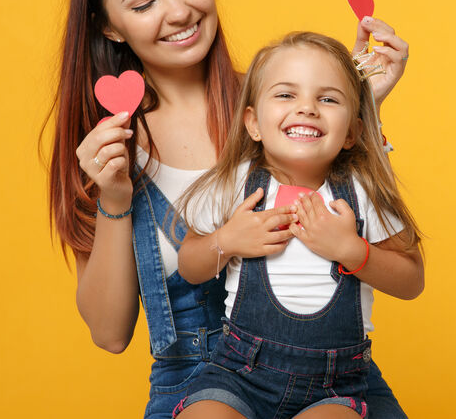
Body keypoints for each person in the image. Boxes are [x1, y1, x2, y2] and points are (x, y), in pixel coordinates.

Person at [45, 0, 412, 418]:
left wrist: (359, 106)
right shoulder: (106, 150)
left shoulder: (279, 108)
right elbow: (109, 333)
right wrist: (115, 198)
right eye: (143, 2)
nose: (178, 11)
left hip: (329, 379)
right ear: (109, 27)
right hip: (196, 380)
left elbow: (384, 237)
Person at [174, 32, 424, 419]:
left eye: (327, 99)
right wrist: (228, 241)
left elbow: (412, 281)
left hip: (334, 386)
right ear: (253, 123)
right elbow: (190, 266)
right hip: (238, 374)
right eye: (286, 95)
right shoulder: (233, 185)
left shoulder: (363, 193)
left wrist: (352, 251)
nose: (307, 108)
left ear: (353, 133)